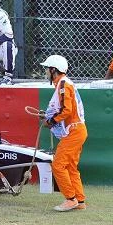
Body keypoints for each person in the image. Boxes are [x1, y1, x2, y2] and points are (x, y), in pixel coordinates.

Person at [40, 55, 87, 212]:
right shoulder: (64, 83)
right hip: (77, 130)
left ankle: (70, 199)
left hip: (74, 131)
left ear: (54, 70)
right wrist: (49, 117)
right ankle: (79, 200)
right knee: (71, 167)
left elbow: (66, 110)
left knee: (58, 165)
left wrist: (50, 122)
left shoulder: (63, 85)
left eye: (47, 69)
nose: (46, 72)